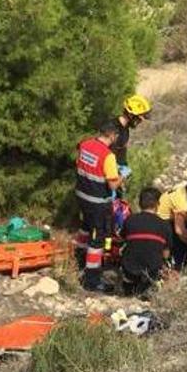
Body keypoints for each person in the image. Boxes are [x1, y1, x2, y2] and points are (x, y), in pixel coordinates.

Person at [74, 121, 123, 293]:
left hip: (82, 197)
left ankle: (78, 262)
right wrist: (122, 176)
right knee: (97, 240)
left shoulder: (85, 144)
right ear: (112, 135)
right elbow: (113, 186)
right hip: (98, 203)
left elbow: (79, 165)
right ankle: (91, 280)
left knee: (84, 230)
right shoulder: (108, 156)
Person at [120, 187, 172, 296]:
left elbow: (123, 238)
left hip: (130, 268)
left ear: (139, 203)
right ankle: (148, 286)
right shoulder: (164, 225)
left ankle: (129, 284)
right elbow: (166, 254)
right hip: (152, 270)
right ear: (158, 204)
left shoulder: (130, 219)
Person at [111, 94, 152, 174]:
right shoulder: (111, 129)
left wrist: (124, 168)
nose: (141, 121)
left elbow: (121, 154)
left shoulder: (125, 130)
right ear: (131, 115)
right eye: (139, 118)